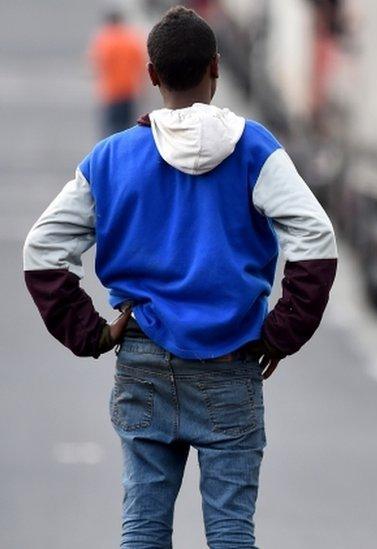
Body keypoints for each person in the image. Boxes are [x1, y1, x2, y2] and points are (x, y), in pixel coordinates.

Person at [24, 6, 338, 548]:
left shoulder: (112, 158)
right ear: (216, 68)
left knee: (143, 529)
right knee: (232, 533)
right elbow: (316, 239)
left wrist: (90, 332)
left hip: (143, 359)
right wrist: (282, 332)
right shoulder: (255, 150)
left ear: (151, 74)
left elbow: (42, 249)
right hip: (230, 361)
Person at [90, 10, 146, 136]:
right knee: (127, 130)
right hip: (129, 91)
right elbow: (141, 65)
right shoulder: (131, 40)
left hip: (110, 93)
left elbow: (96, 64)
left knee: (109, 131)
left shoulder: (104, 41)